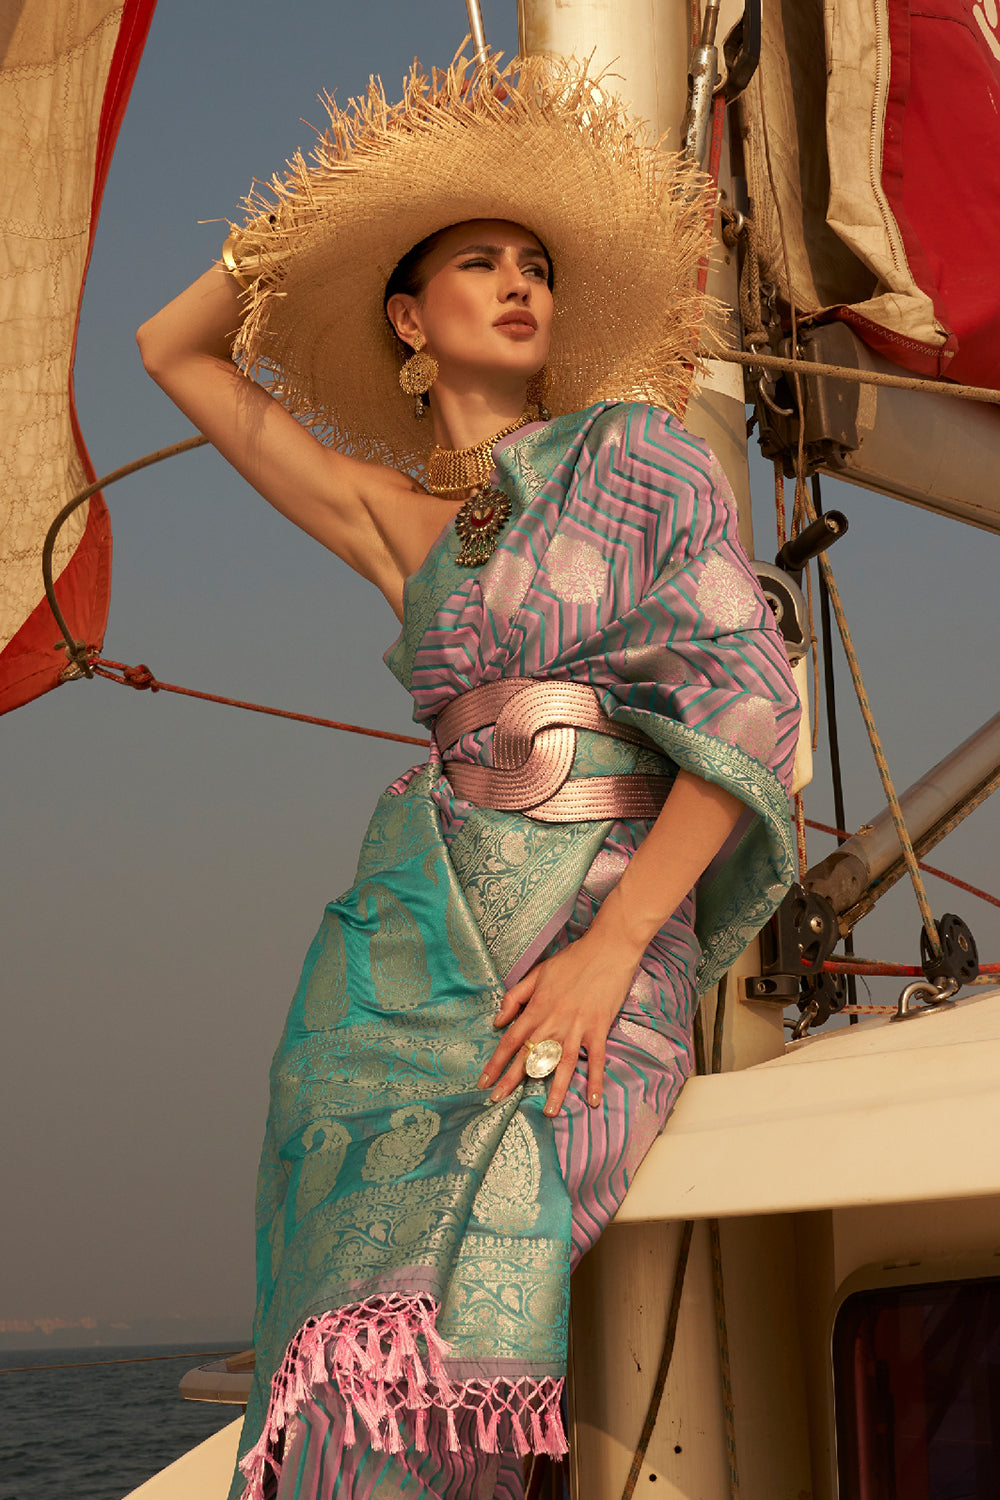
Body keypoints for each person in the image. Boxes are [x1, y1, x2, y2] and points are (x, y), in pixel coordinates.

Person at [138, 49, 799, 1500]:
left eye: (536, 267)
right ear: (409, 317)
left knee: (488, 1253)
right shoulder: (392, 522)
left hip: (595, 932)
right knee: (345, 1341)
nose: (518, 285)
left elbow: (749, 709)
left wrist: (614, 954)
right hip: (402, 956)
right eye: (478, 262)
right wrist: (319, 213)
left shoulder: (642, 460)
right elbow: (171, 354)